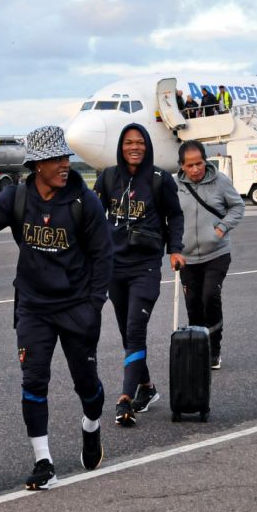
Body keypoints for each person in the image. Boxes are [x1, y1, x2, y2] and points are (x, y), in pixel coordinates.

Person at [0, 126, 112, 490]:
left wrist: (94, 306)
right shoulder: (16, 199)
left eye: (66, 158)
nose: (65, 165)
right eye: (56, 159)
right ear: (37, 165)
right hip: (33, 307)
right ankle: (43, 461)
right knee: (33, 381)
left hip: (77, 307)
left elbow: (104, 256)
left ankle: (91, 425)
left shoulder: (84, 202)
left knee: (86, 385)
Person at [94, 123, 185, 427]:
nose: (135, 147)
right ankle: (146, 388)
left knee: (135, 330)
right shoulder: (108, 177)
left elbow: (175, 215)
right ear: (121, 146)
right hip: (114, 267)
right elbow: (93, 218)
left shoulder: (160, 179)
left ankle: (124, 399)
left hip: (145, 266)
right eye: (129, 142)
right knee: (126, 333)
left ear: (147, 145)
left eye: (140, 142)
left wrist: (175, 249)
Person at [175, 140, 245, 369]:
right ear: (182, 166)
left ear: (205, 161)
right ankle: (198, 348)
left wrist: (221, 228)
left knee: (209, 298)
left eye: (199, 163)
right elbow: (170, 218)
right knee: (193, 305)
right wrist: (173, 247)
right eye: (190, 165)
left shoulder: (220, 181)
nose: (195, 169)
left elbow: (238, 207)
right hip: (187, 258)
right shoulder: (176, 186)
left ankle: (214, 349)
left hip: (217, 253)